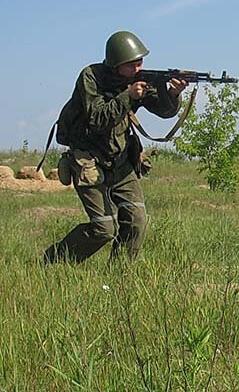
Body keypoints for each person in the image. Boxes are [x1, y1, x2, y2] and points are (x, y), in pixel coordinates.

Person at [43, 31, 188, 264]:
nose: (137, 69)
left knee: (137, 220)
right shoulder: (91, 77)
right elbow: (97, 119)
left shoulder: (136, 81)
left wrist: (172, 93)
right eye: (131, 65)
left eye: (140, 63)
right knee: (104, 229)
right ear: (116, 64)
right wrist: (128, 96)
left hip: (121, 161)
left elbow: (164, 111)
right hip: (88, 160)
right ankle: (53, 262)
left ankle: (118, 278)